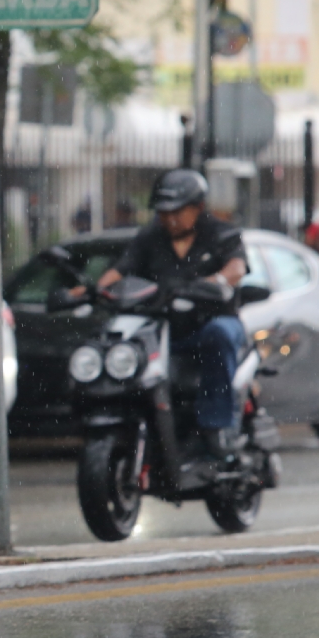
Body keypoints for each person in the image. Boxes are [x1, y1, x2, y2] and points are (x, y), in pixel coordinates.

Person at [94, 169, 248, 459]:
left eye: (177, 212)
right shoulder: (150, 237)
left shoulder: (221, 233)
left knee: (220, 334)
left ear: (198, 208)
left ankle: (216, 427)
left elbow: (236, 268)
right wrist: (95, 290)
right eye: (163, 212)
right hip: (167, 329)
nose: (169, 219)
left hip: (209, 324)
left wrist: (212, 283)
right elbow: (121, 269)